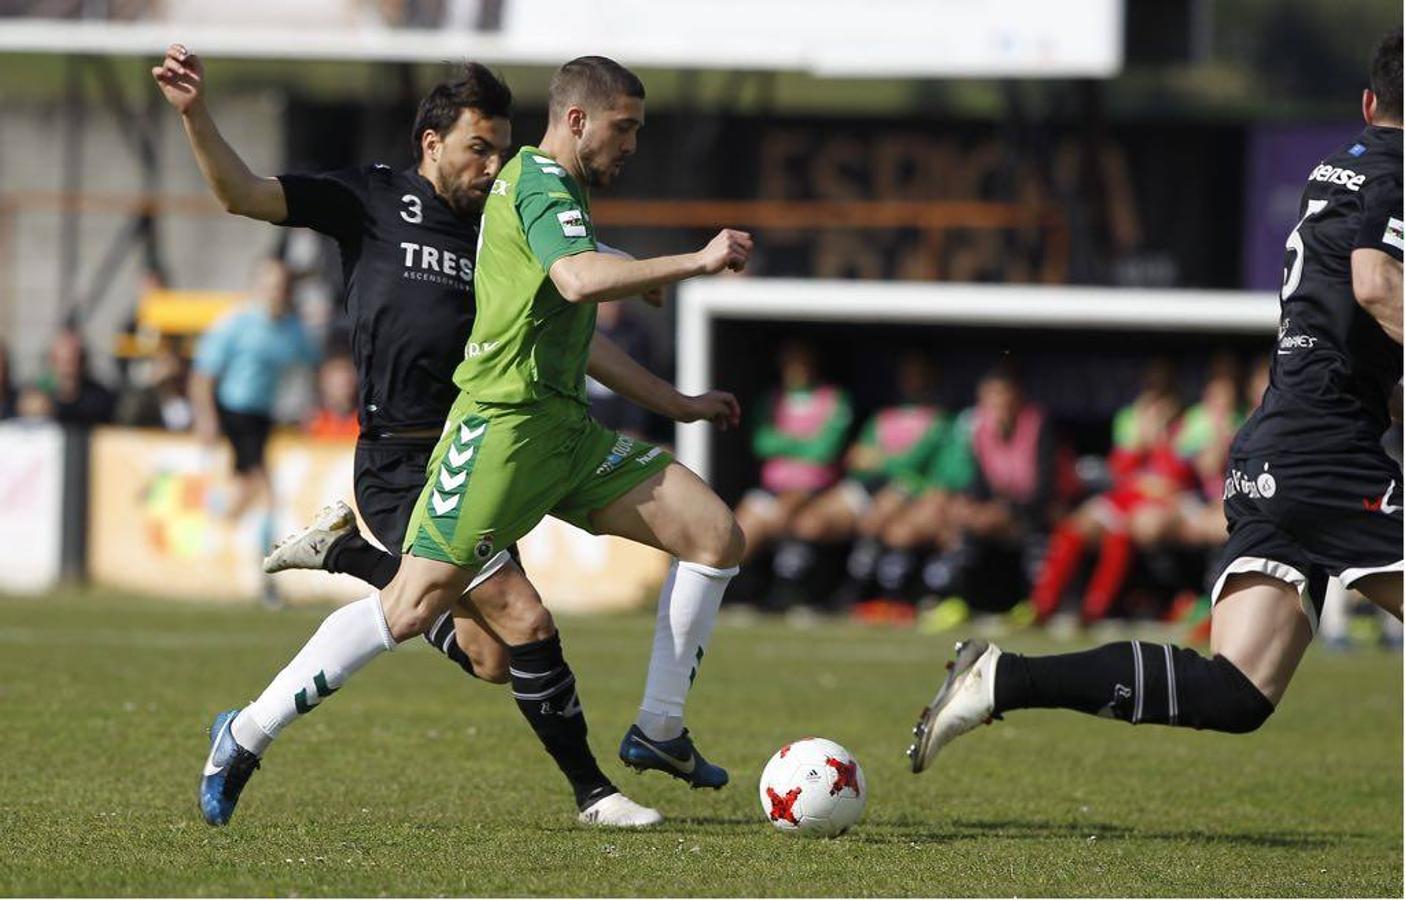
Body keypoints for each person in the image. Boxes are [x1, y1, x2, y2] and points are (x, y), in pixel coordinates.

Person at [190, 55, 751, 827]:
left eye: (500, 150)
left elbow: (577, 318)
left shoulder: (509, 211)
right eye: (478, 150)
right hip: (423, 453)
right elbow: (244, 192)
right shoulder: (382, 198)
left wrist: (675, 401)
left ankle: (658, 728)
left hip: (550, 433)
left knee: (703, 541)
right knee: (496, 618)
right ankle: (248, 734)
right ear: (431, 142)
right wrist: (193, 114)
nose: (492, 166)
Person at [908, 29, 1403, 775]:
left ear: (1367, 103)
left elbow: (1350, 331)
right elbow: (1374, 284)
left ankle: (1004, 678)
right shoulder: (1398, 174)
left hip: (1278, 446)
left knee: (1235, 691)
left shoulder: (1336, 173)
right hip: (1324, 456)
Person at [190, 258, 320, 525]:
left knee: (250, 485)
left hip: (263, 414)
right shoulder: (236, 322)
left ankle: (227, 528)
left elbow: (313, 364)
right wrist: (206, 418)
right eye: (270, 286)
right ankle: (232, 531)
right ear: (257, 288)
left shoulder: (292, 329)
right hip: (233, 410)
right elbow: (203, 374)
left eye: (282, 287)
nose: (276, 293)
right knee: (258, 484)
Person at [733, 339, 853, 571]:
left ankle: (790, 583)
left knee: (799, 520)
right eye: (789, 364)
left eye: (801, 363)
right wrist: (806, 440)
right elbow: (761, 443)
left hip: (816, 489)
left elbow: (825, 450)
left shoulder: (834, 398)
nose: (795, 370)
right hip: (773, 488)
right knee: (737, 532)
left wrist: (784, 441)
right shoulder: (770, 400)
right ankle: (733, 587)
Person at [39, 327, 116, 426]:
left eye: (72, 360)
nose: (67, 368)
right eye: (63, 361)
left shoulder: (99, 398)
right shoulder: (41, 392)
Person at [304, 354, 360, 440]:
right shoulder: (314, 423)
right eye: (334, 384)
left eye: (344, 384)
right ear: (322, 384)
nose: (341, 389)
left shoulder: (364, 423)